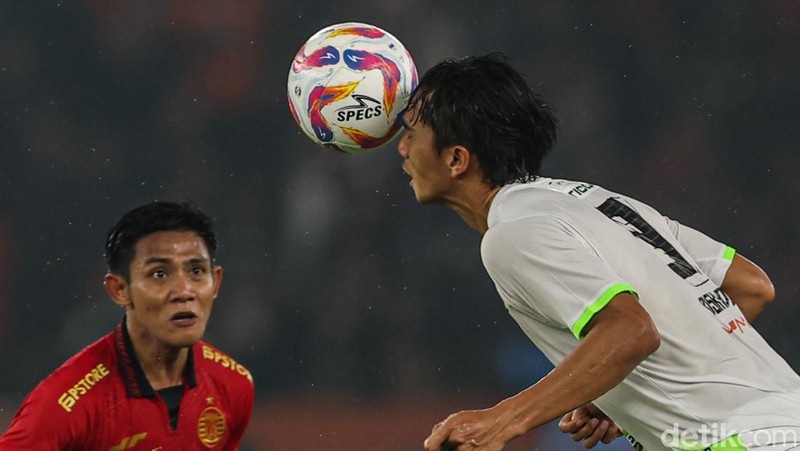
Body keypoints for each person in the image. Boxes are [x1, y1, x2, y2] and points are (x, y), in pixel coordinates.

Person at [397, 53, 800, 451]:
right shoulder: (600, 203)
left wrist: (500, 421)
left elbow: (631, 331)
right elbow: (751, 287)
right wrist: (618, 383)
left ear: (455, 159)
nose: (401, 148)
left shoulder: (512, 235)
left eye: (412, 133)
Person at [0, 201, 254, 449]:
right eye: (160, 274)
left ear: (216, 283)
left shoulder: (233, 385)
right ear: (120, 290)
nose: (184, 291)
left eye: (196, 271)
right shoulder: (66, 404)